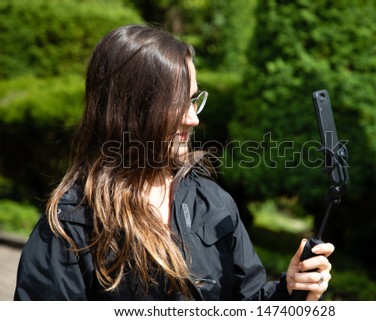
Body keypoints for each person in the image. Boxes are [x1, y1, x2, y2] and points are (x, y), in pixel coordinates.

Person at [14, 24, 334, 300]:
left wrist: (291, 292)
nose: (193, 118)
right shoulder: (72, 224)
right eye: (177, 104)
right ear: (130, 110)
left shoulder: (214, 203)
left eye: (194, 100)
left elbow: (247, 301)